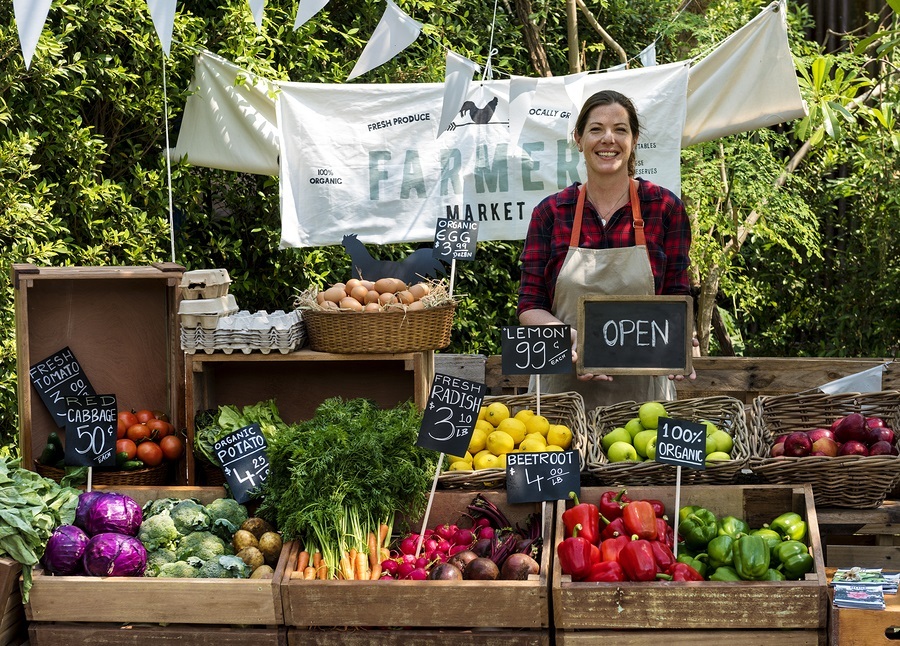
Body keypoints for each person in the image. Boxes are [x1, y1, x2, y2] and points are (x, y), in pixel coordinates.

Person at [517, 89, 695, 411]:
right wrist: (574, 338)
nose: (608, 139)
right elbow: (530, 305)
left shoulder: (665, 208)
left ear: (634, 139)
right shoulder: (551, 212)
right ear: (579, 138)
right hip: (560, 394)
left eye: (620, 129)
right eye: (596, 129)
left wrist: (680, 337)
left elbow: (677, 297)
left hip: (644, 401)